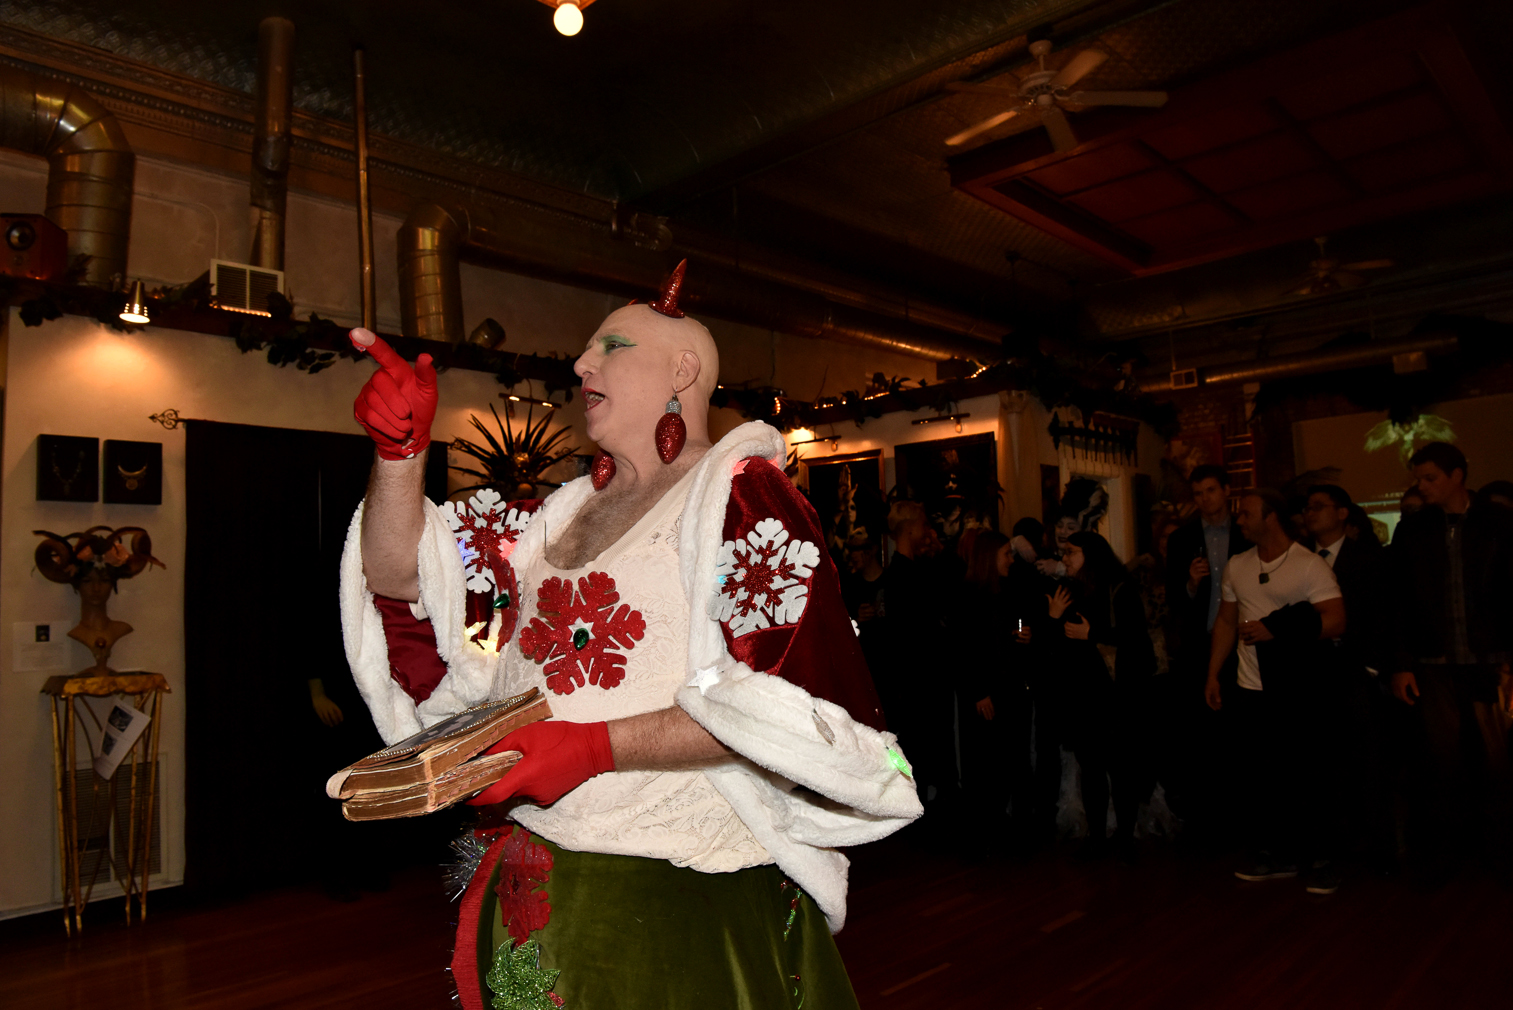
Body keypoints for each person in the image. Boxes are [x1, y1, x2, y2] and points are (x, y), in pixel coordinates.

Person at [339, 265, 921, 1010]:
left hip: (680, 890)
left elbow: (788, 707)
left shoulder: (743, 497)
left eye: (610, 346)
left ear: (683, 371)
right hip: (540, 876)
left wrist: (592, 748)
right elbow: (401, 579)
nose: (582, 364)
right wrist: (399, 456)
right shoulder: (556, 513)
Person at [1205, 489, 1345, 893]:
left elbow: (1336, 620)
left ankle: (1322, 858)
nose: (1239, 521)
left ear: (1271, 518)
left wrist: (1278, 630)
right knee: (1263, 776)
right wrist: (1213, 674)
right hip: (1251, 686)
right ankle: (1276, 853)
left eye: (1246, 514)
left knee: (1308, 775)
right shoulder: (1238, 564)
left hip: (1299, 688)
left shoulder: (1309, 565)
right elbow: (1226, 622)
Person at [1387, 442, 1513, 883]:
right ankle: (1446, 855)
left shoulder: (1498, 522)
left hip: (1490, 658)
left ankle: (1500, 853)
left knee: (1498, 762)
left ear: (1457, 476)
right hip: (1434, 660)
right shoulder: (1413, 529)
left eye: (1430, 478)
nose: (1421, 486)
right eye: (1418, 479)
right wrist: (1401, 662)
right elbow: (1399, 602)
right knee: (1441, 762)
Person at [1047, 531, 1156, 862]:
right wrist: (1053, 618)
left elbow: (1135, 637)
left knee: (1121, 769)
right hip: (1083, 695)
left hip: (1117, 694)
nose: (1065, 559)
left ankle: (1124, 837)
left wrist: (1091, 633)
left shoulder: (1119, 588)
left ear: (1090, 556)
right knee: (1091, 769)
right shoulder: (1069, 591)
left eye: (1072, 552)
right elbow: (1058, 648)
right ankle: (1096, 838)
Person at [1303, 484, 1394, 872]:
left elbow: (1385, 615)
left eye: (1319, 506)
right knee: (1324, 762)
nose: (1310, 513)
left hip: (1357, 671)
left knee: (1368, 760)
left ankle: (1377, 847)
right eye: (1307, 508)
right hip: (1315, 674)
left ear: (1342, 513)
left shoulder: (1368, 557)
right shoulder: (1300, 559)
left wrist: (1372, 667)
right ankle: (1333, 845)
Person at [1164, 464, 1249, 838]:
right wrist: (1191, 583)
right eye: (1197, 493)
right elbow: (1173, 598)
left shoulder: (1245, 532)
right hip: (1200, 644)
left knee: (1238, 727)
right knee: (1200, 730)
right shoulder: (1182, 539)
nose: (1204, 499)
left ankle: (1240, 811)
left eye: (1210, 491)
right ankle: (1205, 816)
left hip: (1244, 641)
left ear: (1226, 491)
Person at [957, 531, 1035, 847]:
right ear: (990, 557)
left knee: (1015, 761)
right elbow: (963, 651)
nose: (1011, 560)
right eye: (1006, 554)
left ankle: (1016, 831)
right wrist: (978, 692)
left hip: (1012, 688)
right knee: (986, 763)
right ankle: (983, 832)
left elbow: (1011, 637)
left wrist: (1027, 637)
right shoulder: (968, 596)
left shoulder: (1007, 591)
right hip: (987, 693)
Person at [880, 499, 956, 812]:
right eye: (924, 525)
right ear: (911, 529)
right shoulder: (903, 576)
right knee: (919, 751)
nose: (928, 532)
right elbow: (909, 635)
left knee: (923, 751)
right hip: (918, 682)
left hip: (919, 680)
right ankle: (919, 812)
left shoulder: (909, 571)